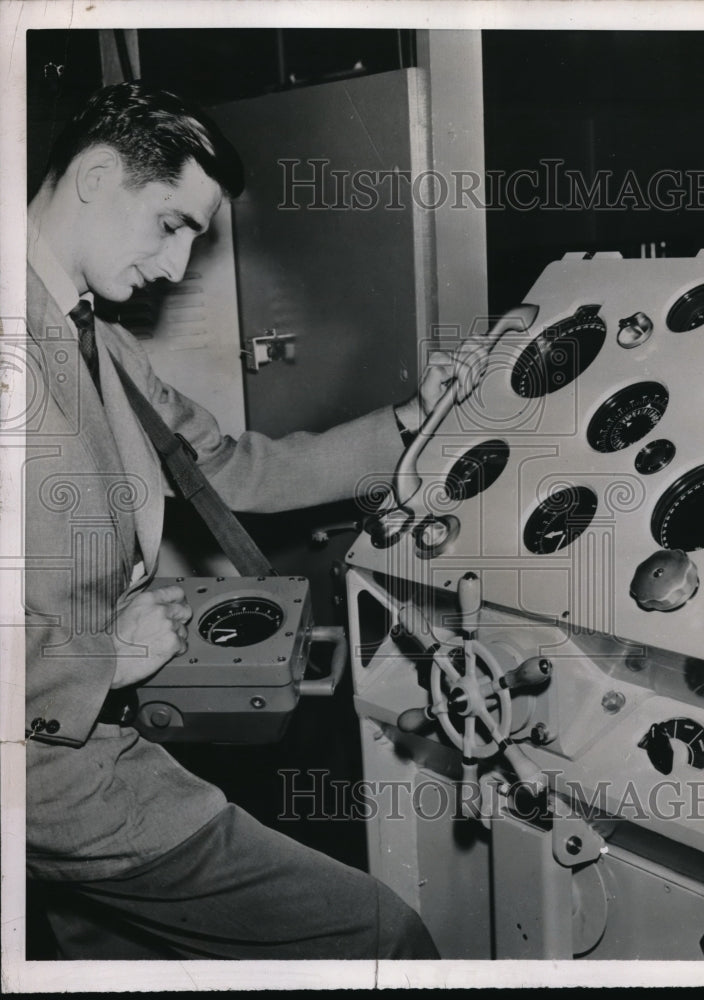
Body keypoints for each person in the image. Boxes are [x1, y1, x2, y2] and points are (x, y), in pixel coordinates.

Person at [25, 81, 483, 960]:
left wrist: (408, 430)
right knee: (382, 937)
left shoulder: (100, 343)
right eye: (172, 225)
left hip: (98, 733)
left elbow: (229, 468)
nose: (173, 269)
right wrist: (99, 655)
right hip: (52, 771)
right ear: (93, 177)